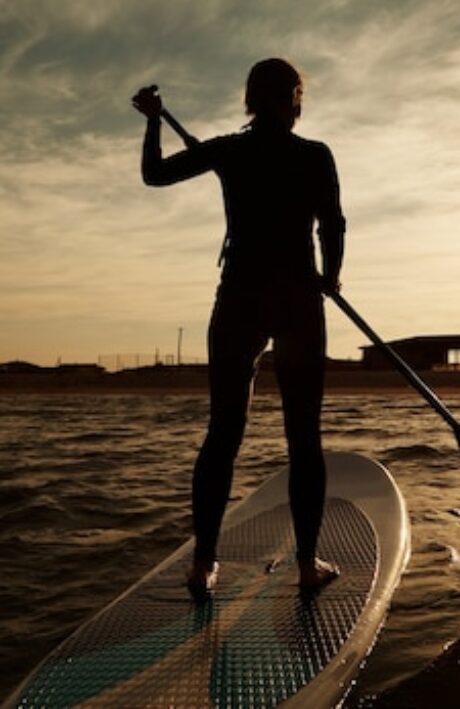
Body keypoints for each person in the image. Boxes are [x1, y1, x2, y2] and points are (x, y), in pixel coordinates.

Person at [132, 58, 346, 600]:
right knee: (304, 439)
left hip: (241, 299)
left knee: (223, 434)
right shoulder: (314, 155)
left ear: (251, 99)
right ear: (294, 99)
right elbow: (333, 223)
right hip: (298, 298)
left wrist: (154, 121)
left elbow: (155, 174)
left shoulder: (231, 149)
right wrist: (331, 276)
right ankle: (305, 564)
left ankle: (203, 564)